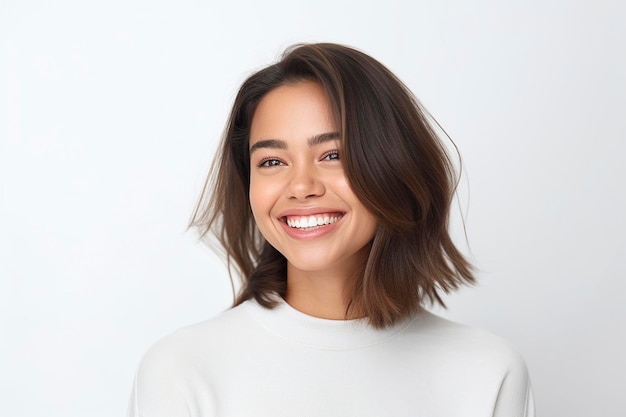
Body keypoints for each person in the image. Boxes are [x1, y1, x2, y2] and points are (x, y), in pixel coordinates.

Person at [127, 43, 535, 417]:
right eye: (271, 161)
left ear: (391, 167)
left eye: (333, 154)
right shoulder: (182, 370)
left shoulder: (487, 371)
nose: (302, 186)